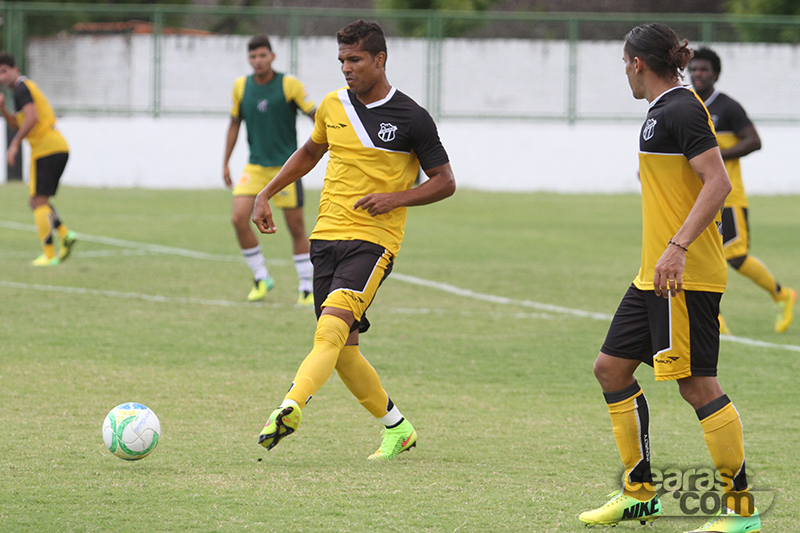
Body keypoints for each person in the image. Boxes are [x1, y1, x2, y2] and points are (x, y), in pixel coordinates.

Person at [579, 24, 761, 533]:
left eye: (624, 63)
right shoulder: (661, 112)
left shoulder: (681, 108)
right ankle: (639, 495)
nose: (625, 72)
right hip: (652, 277)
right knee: (611, 369)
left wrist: (677, 249)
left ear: (637, 62)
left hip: (685, 276)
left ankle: (741, 512)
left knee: (698, 385)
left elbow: (718, 182)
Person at [251, 20, 455, 460]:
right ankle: (397, 429)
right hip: (324, 239)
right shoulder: (331, 105)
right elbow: (309, 153)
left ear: (380, 60)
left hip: (374, 243)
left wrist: (395, 198)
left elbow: (445, 182)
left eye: (355, 59)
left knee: (329, 332)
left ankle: (291, 404)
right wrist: (266, 192)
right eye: (342, 60)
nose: (347, 67)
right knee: (342, 351)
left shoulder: (412, 118)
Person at [689, 47, 795, 334]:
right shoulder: (687, 105)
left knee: (734, 257)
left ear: (716, 74)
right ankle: (715, 318)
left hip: (728, 196)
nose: (698, 74)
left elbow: (754, 141)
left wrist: (716, 156)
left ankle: (781, 294)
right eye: (694, 68)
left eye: (704, 69)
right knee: (696, 254)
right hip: (694, 196)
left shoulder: (728, 107)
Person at [223, 35, 316, 305]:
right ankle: (261, 277)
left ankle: (307, 287)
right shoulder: (241, 86)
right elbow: (233, 124)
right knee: (239, 218)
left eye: (263, 55)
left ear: (272, 56)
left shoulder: (289, 85)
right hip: (255, 167)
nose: (258, 61)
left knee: (295, 227)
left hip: (287, 168)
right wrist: (226, 162)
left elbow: (316, 117)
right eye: (253, 57)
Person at [0, 52, 76, 266]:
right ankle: (65, 233)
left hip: (46, 148)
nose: (2, 77)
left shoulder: (21, 87)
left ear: (15, 68)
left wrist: (14, 144)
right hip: (55, 146)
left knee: (37, 201)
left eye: (5, 71)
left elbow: (31, 118)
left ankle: (49, 255)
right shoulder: (22, 91)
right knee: (38, 201)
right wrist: (3, 110)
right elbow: (19, 121)